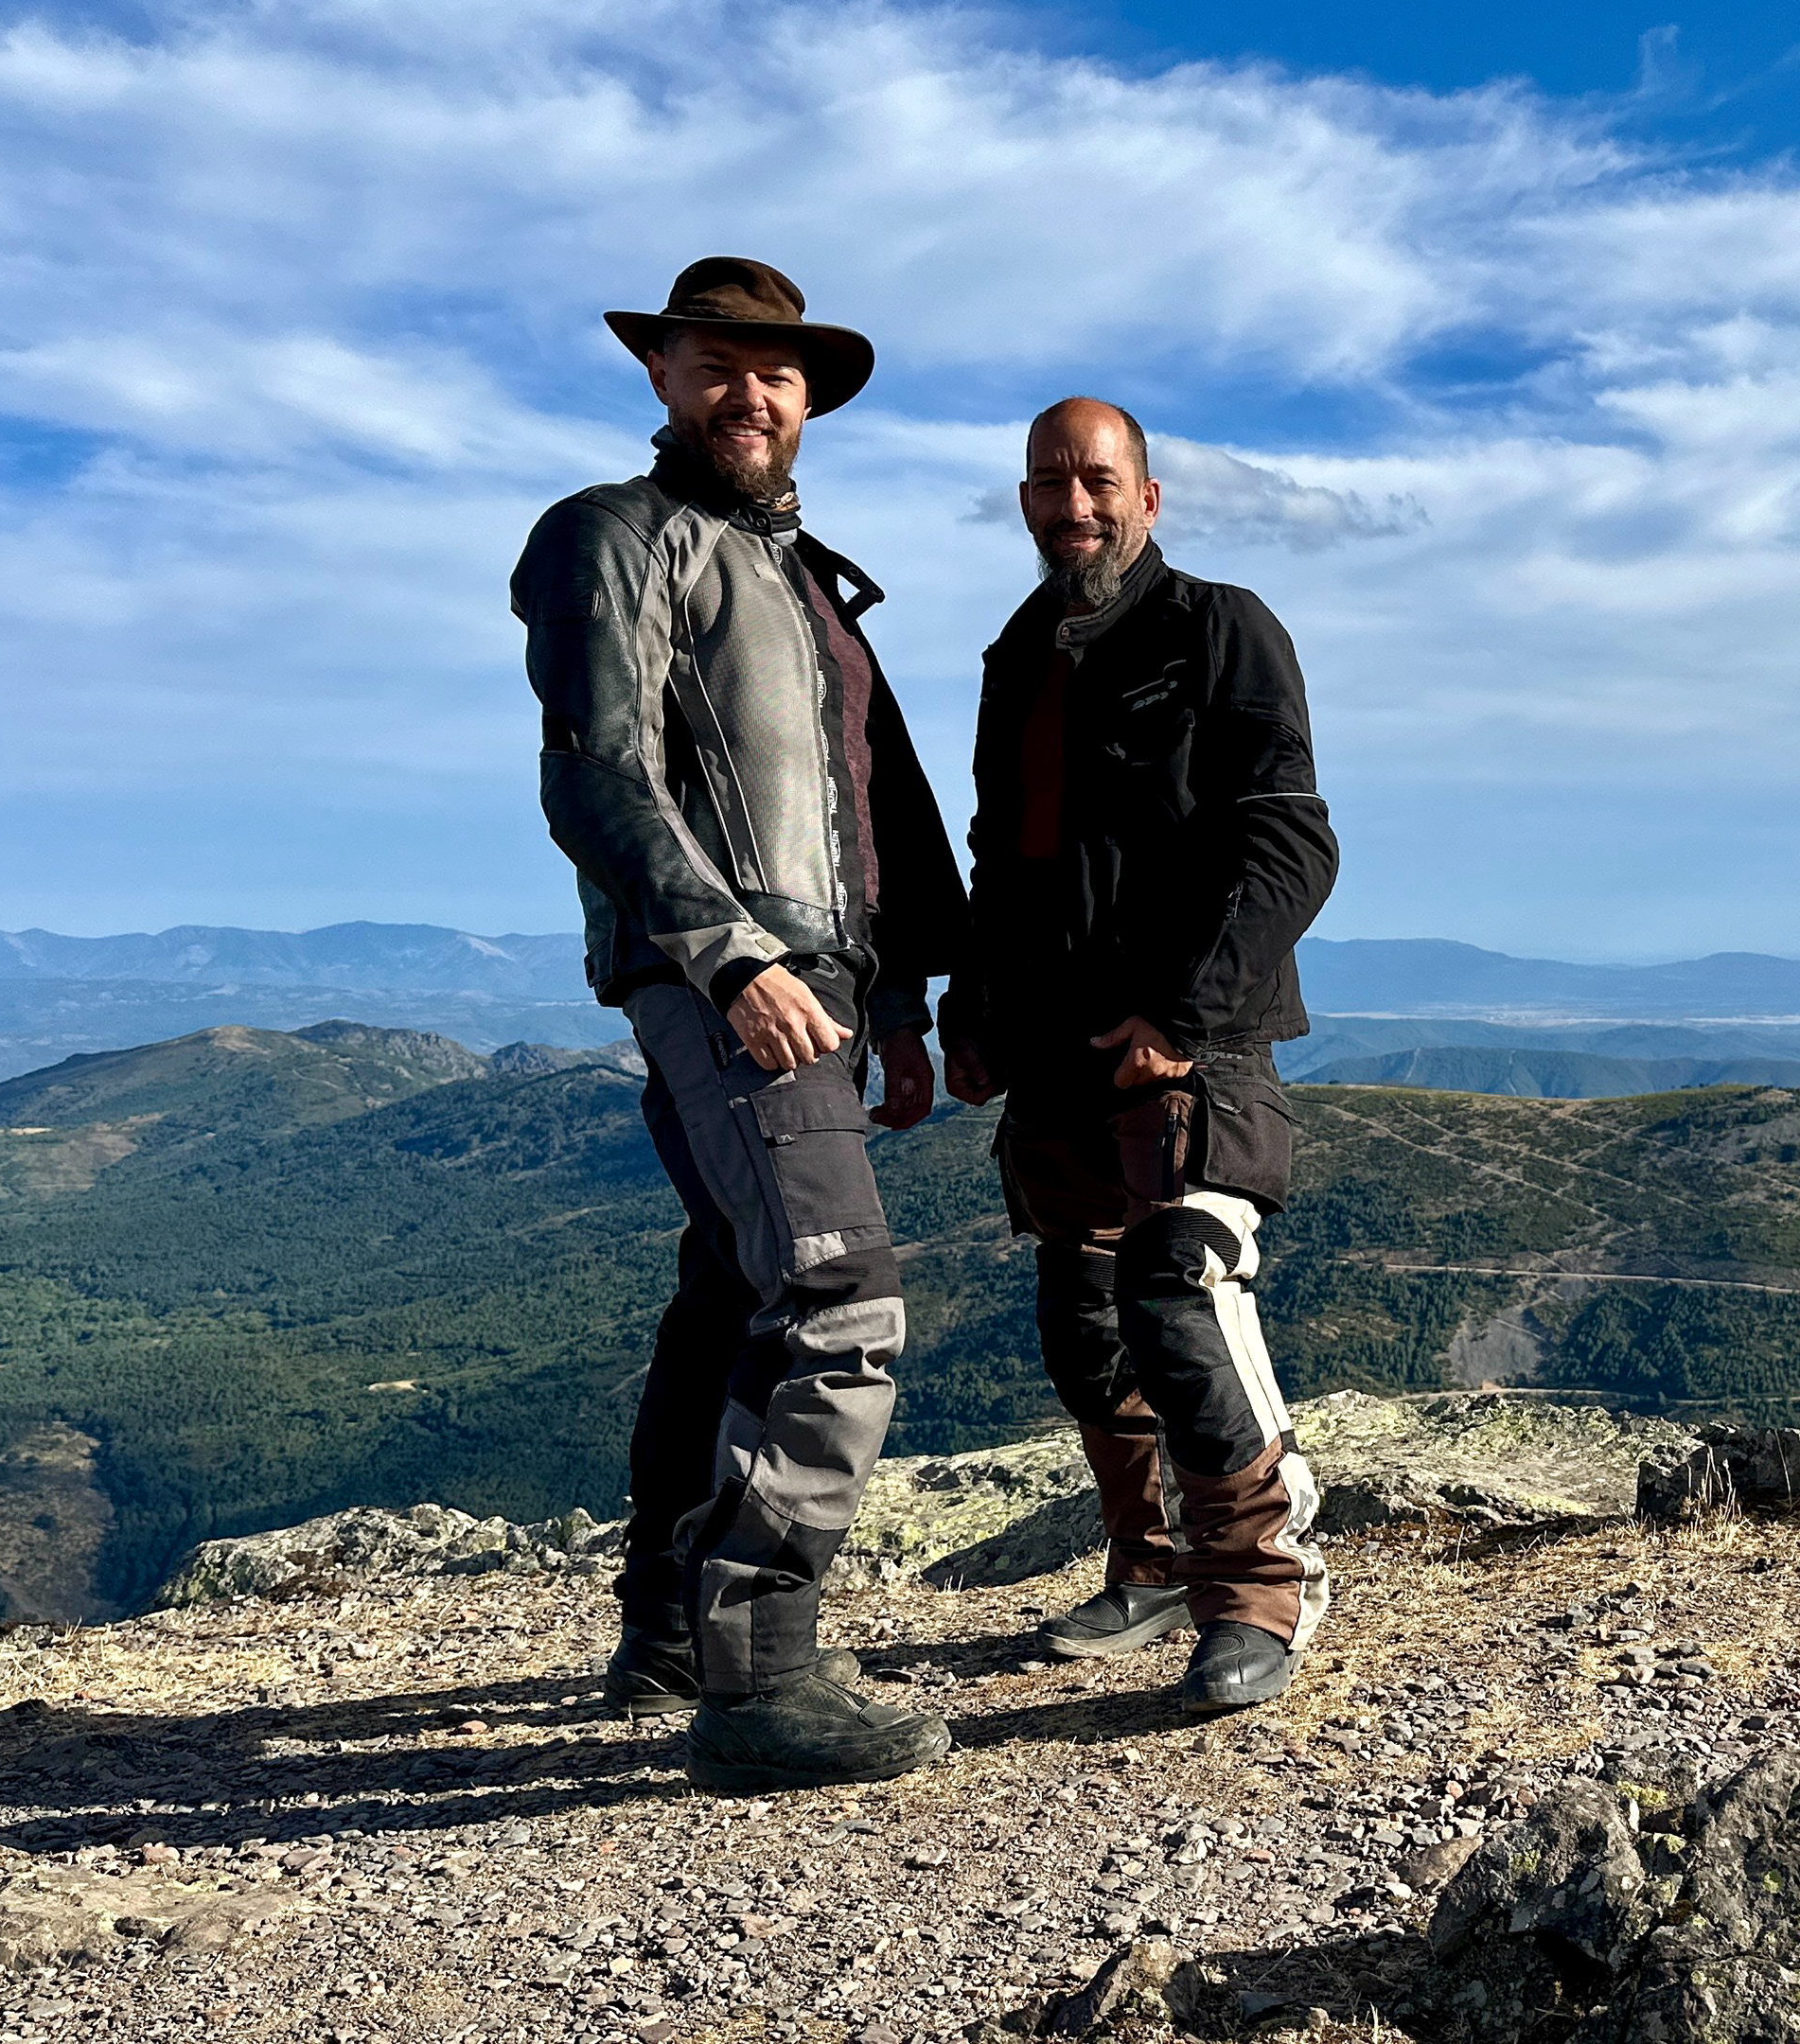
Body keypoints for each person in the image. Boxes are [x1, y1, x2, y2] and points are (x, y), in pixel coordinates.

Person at [510, 256, 967, 1791]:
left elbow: (862, 810)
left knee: (730, 1297)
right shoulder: (612, 537)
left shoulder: (800, 576)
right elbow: (598, 777)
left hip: (820, 985)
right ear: (660, 375)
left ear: (808, 395)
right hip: (729, 982)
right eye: (717, 363)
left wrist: (894, 999)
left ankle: (664, 1636)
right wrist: (729, 957)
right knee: (838, 1301)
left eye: (777, 372)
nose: (750, 393)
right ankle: (762, 1673)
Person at [940, 397, 1340, 1713]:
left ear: (1149, 498)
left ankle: (1263, 1589)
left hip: (1189, 1045)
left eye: (1099, 480)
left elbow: (1289, 838)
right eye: (1050, 483)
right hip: (1055, 1046)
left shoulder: (1219, 628)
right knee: (1081, 1316)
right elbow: (1005, 856)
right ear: (1026, 501)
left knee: (1180, 1284)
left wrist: (1183, 1013)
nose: (1075, 504)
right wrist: (973, 1013)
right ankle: (1153, 1561)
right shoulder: (1018, 656)